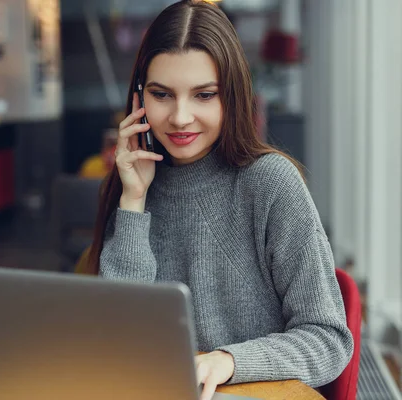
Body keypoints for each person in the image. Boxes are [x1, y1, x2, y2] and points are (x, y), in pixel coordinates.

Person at [85, 2, 353, 400]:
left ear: (231, 96)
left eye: (204, 95)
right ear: (140, 97)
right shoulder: (133, 185)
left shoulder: (270, 183)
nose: (179, 117)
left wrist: (227, 361)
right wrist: (133, 202)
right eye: (162, 95)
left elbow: (328, 339)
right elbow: (119, 338)